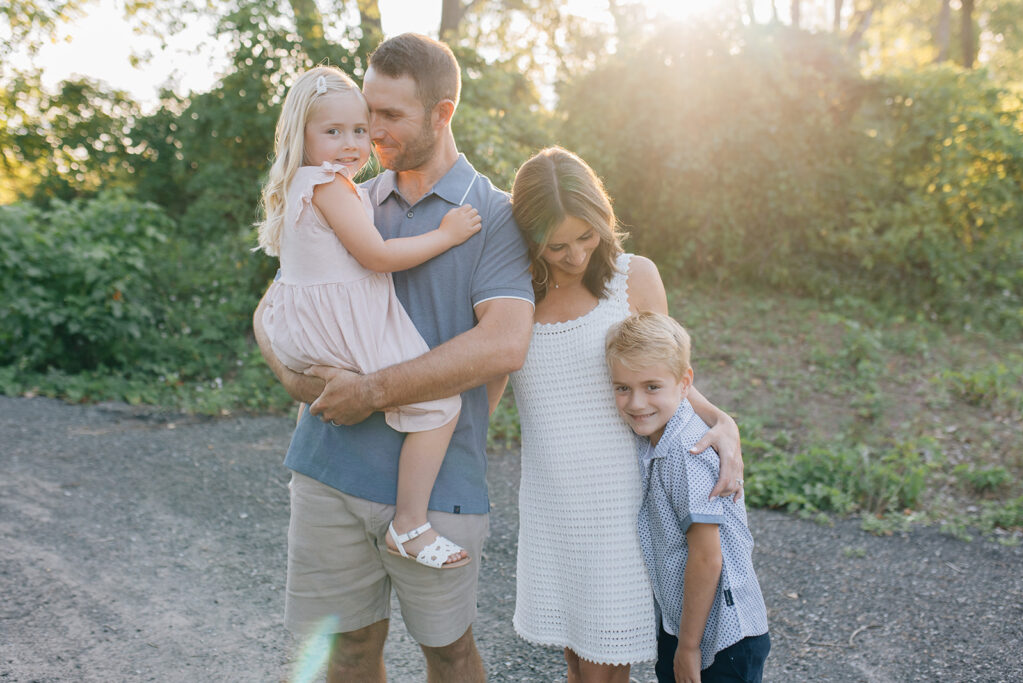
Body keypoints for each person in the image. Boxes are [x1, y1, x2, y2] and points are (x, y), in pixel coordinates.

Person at [252, 35, 535, 682]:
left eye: (389, 116)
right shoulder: (347, 195)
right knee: (346, 651)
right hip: (329, 467)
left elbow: (504, 343)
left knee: (449, 654)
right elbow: (271, 311)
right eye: (364, 112)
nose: (371, 131)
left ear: (442, 113)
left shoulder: (491, 216)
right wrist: (299, 379)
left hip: (436, 489)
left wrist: (371, 390)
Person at [507, 146, 745, 683]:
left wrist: (720, 421)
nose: (574, 256)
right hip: (549, 500)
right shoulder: (513, 292)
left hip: (616, 502)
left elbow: (668, 379)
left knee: (603, 669)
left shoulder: (633, 277)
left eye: (586, 236)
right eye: (557, 245)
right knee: (577, 661)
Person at [257, 65, 484, 569]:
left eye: (359, 130)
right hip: (335, 324)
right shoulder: (331, 186)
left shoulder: (306, 183)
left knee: (372, 395)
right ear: (303, 134)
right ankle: (409, 525)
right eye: (332, 132)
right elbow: (377, 256)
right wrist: (446, 235)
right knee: (441, 404)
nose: (351, 144)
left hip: (303, 326)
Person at [605, 312, 770, 683]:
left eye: (652, 387)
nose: (636, 403)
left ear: (684, 384)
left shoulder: (686, 451)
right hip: (686, 624)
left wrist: (689, 647)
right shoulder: (656, 435)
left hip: (724, 637)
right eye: (622, 388)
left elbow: (708, 556)